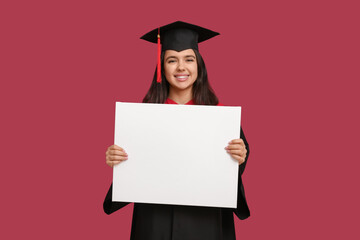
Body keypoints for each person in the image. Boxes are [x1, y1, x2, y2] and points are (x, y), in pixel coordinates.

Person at [103, 21, 250, 240]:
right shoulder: (143, 118)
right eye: (172, 60)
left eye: (189, 59)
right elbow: (132, 176)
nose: (181, 67)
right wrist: (118, 160)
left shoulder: (219, 117)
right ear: (162, 67)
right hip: (155, 222)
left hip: (205, 222)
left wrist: (240, 157)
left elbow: (229, 175)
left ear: (199, 65)